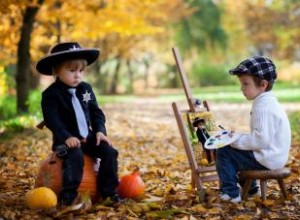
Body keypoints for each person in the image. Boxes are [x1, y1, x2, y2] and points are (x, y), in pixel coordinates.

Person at [36, 42, 121, 207]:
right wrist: (67, 137)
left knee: (109, 152)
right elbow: (53, 120)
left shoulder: (86, 90)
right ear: (56, 71)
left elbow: (96, 111)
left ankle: (109, 193)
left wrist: (100, 131)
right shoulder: (51, 95)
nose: (78, 75)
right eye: (72, 70)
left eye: (81, 71)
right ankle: (68, 196)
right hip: (64, 143)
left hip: (88, 138)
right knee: (74, 155)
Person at [216, 56, 291, 203]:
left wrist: (233, 140)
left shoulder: (263, 107)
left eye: (245, 83)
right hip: (274, 155)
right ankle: (251, 190)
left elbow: (259, 141)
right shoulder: (268, 102)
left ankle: (231, 193)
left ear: (263, 84)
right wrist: (238, 138)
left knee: (224, 151)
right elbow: (261, 138)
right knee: (240, 151)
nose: (242, 88)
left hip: (268, 157)